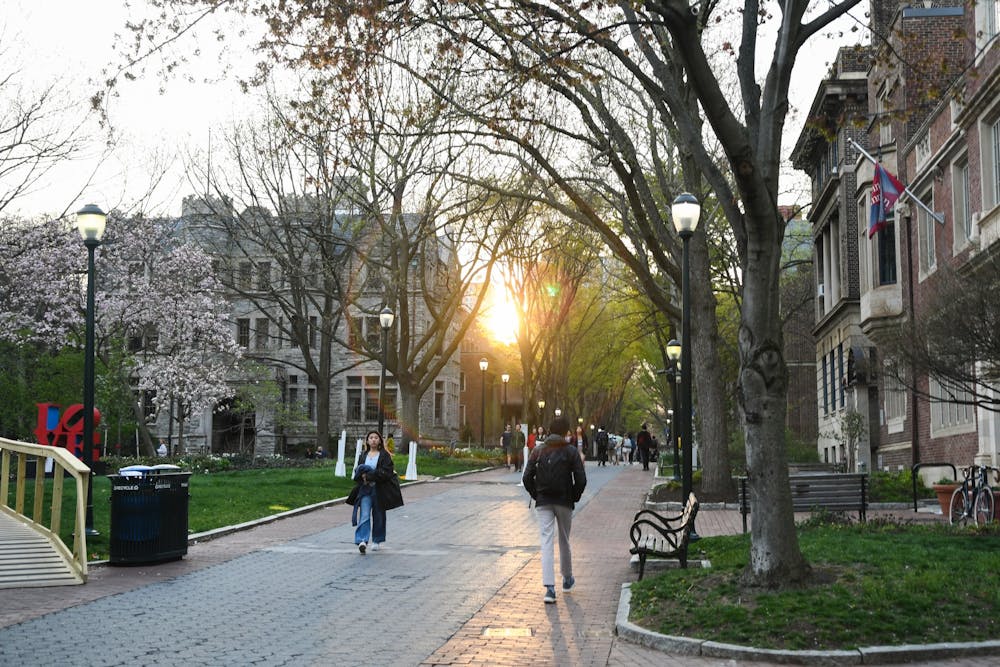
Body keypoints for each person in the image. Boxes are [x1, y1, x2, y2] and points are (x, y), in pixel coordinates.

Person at [522, 416, 587, 604]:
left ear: (549, 430)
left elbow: (527, 477)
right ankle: (567, 579)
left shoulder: (538, 450)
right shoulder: (571, 452)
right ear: (566, 431)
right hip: (563, 500)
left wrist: (537, 495)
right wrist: (573, 496)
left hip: (544, 501)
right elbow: (581, 480)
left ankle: (549, 589)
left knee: (546, 541)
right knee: (564, 539)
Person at [346, 430, 404, 554]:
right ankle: (362, 540)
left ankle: (377, 540)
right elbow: (358, 470)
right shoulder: (363, 455)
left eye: (376, 438)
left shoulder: (384, 455)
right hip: (365, 489)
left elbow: (386, 472)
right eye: (371, 438)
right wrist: (361, 476)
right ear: (367, 441)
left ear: (379, 441)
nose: (373, 440)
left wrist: (371, 476)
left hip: (379, 490)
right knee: (364, 515)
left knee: (378, 515)